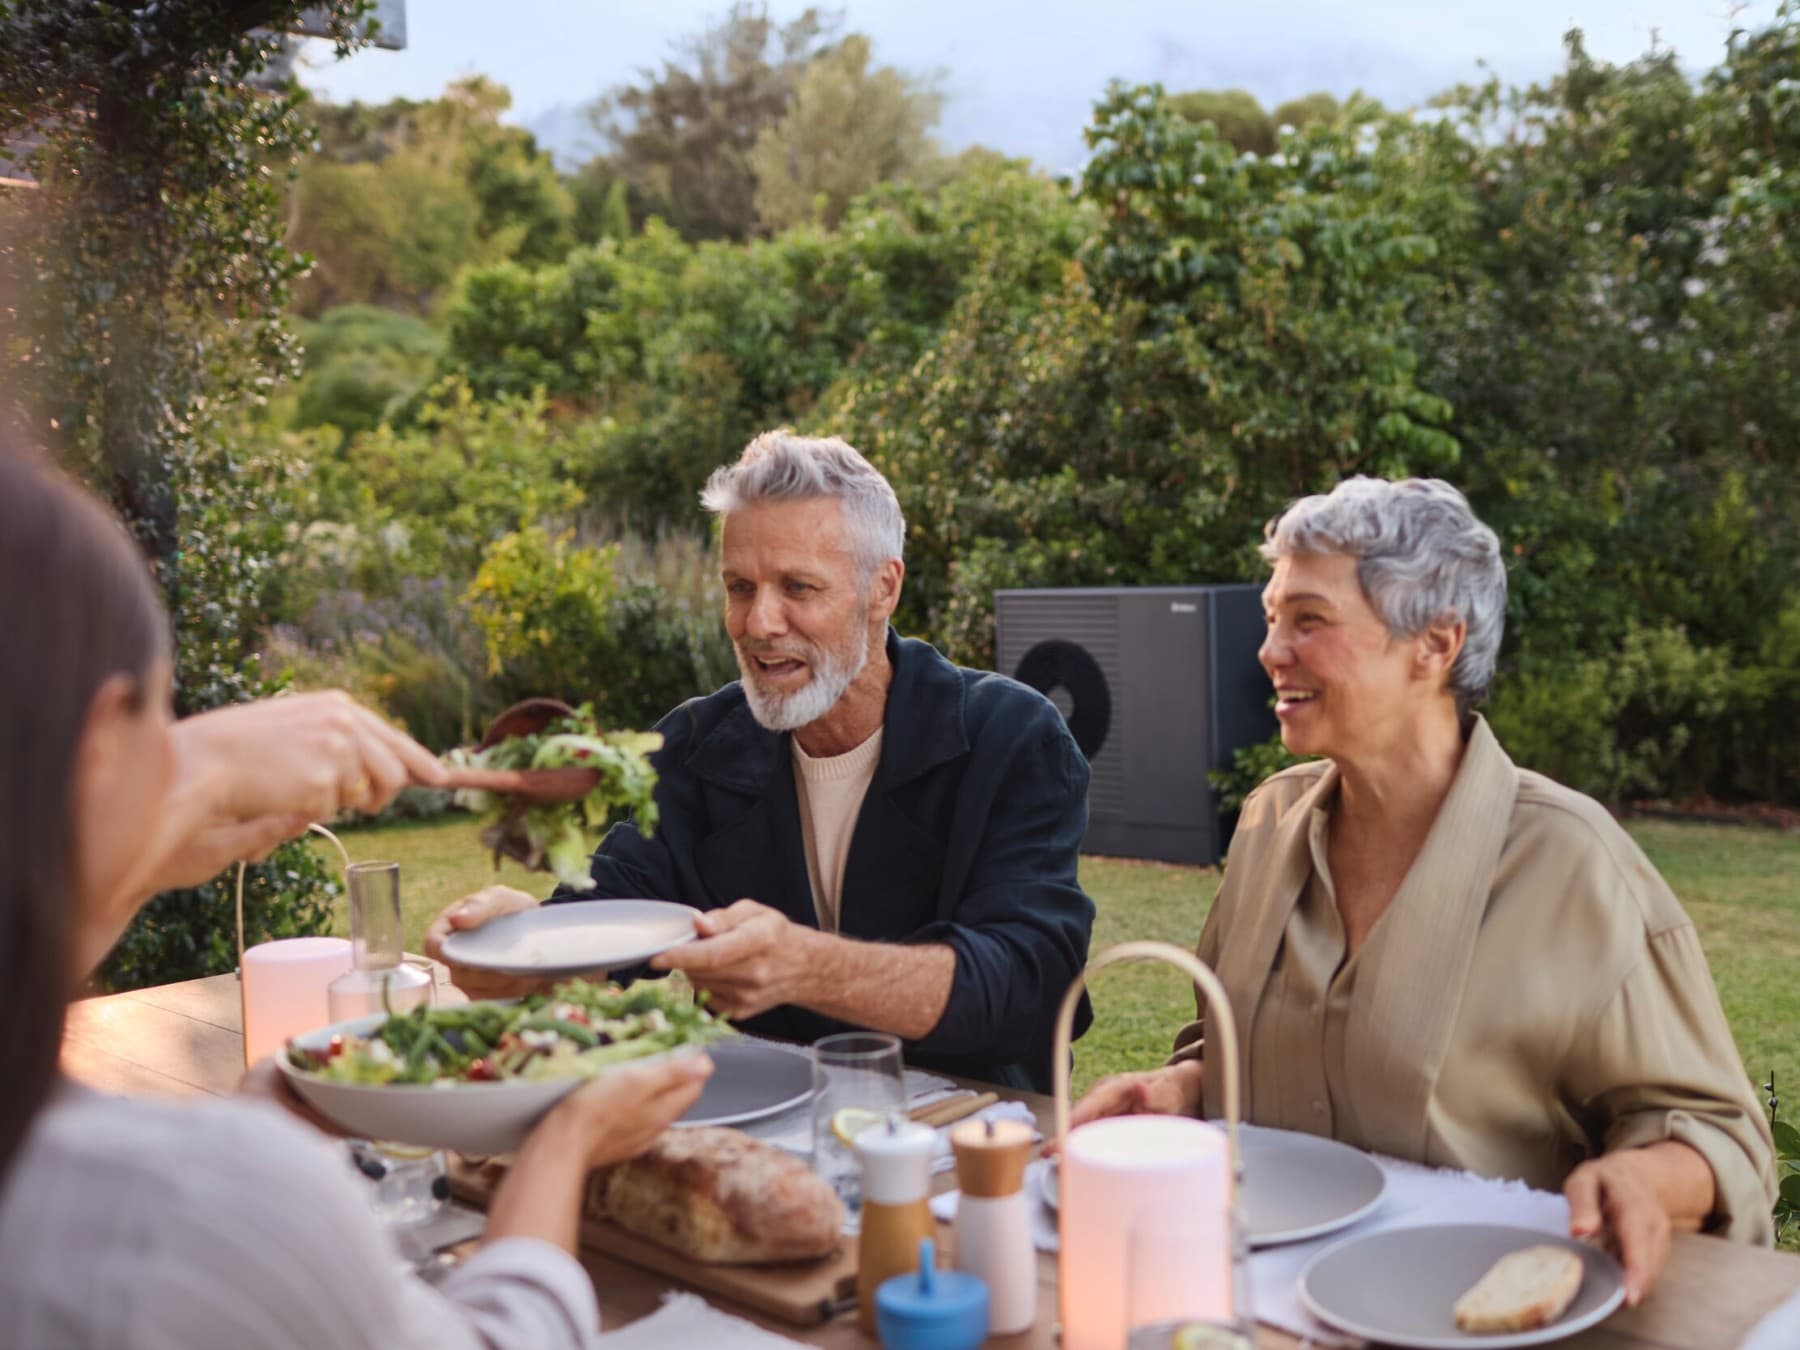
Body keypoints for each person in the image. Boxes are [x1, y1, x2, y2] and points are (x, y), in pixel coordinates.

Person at [0, 450, 714, 1350]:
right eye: (166, 717)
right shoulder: (186, 1208)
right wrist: (563, 1142)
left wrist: (162, 827)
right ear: (103, 744)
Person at [1068, 476, 1776, 1305]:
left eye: (1309, 619)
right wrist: (1180, 1090)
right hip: (1250, 1307)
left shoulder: (1573, 864)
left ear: (1435, 645)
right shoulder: (1266, 822)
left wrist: (1646, 1180)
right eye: (1272, 618)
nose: (1270, 650)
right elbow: (1226, 1046)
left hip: (1464, 1317)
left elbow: (1720, 1136)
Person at [429, 432, 1095, 1091]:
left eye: (798, 587)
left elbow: (1029, 986)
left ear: (882, 588)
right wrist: (525, 943)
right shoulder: (695, 745)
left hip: (981, 1128)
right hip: (763, 1120)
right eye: (740, 586)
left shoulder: (1012, 736)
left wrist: (808, 967)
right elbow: (613, 914)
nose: (758, 623)